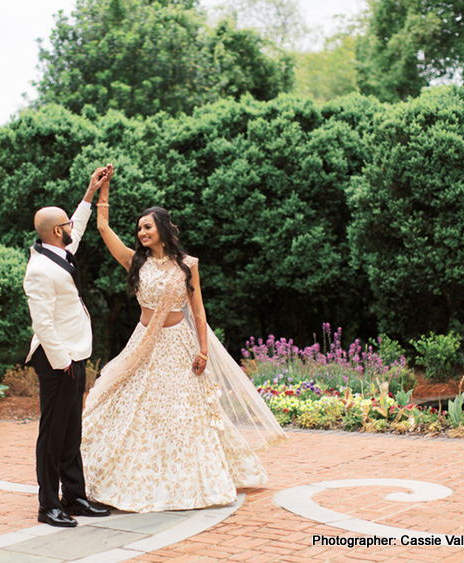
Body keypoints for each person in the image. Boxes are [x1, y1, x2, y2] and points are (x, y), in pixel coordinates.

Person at [80, 165, 287, 513]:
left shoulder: (188, 265)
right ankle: (125, 477)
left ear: (162, 229)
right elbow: (102, 227)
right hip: (144, 344)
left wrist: (204, 351)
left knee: (181, 414)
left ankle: (186, 480)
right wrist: (102, 190)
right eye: (139, 229)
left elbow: (199, 312)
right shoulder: (135, 262)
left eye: (147, 227)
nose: (141, 232)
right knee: (135, 410)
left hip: (179, 346)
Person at [23, 166, 112, 527]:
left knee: (71, 431)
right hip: (58, 361)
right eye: (67, 225)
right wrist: (63, 362)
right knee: (52, 435)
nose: (72, 227)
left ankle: (74, 496)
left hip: (75, 355)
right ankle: (48, 505)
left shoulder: (60, 250)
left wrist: (90, 192)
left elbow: (79, 222)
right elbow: (42, 324)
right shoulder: (39, 270)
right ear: (57, 231)